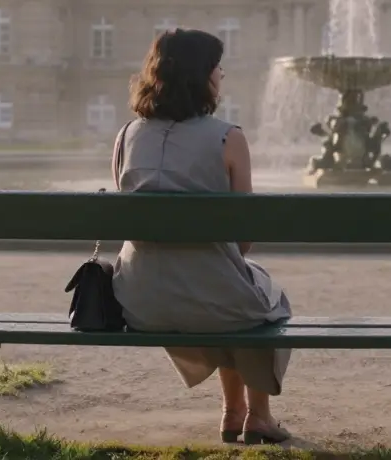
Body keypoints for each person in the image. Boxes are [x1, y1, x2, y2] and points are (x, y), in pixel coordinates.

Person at [111, 28, 292, 445]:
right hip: (213, 300)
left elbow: (128, 220)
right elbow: (242, 240)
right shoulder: (229, 138)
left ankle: (232, 411)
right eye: (216, 66)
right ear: (202, 76)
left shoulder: (125, 136)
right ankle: (257, 417)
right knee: (254, 296)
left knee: (228, 288)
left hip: (139, 301)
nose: (222, 74)